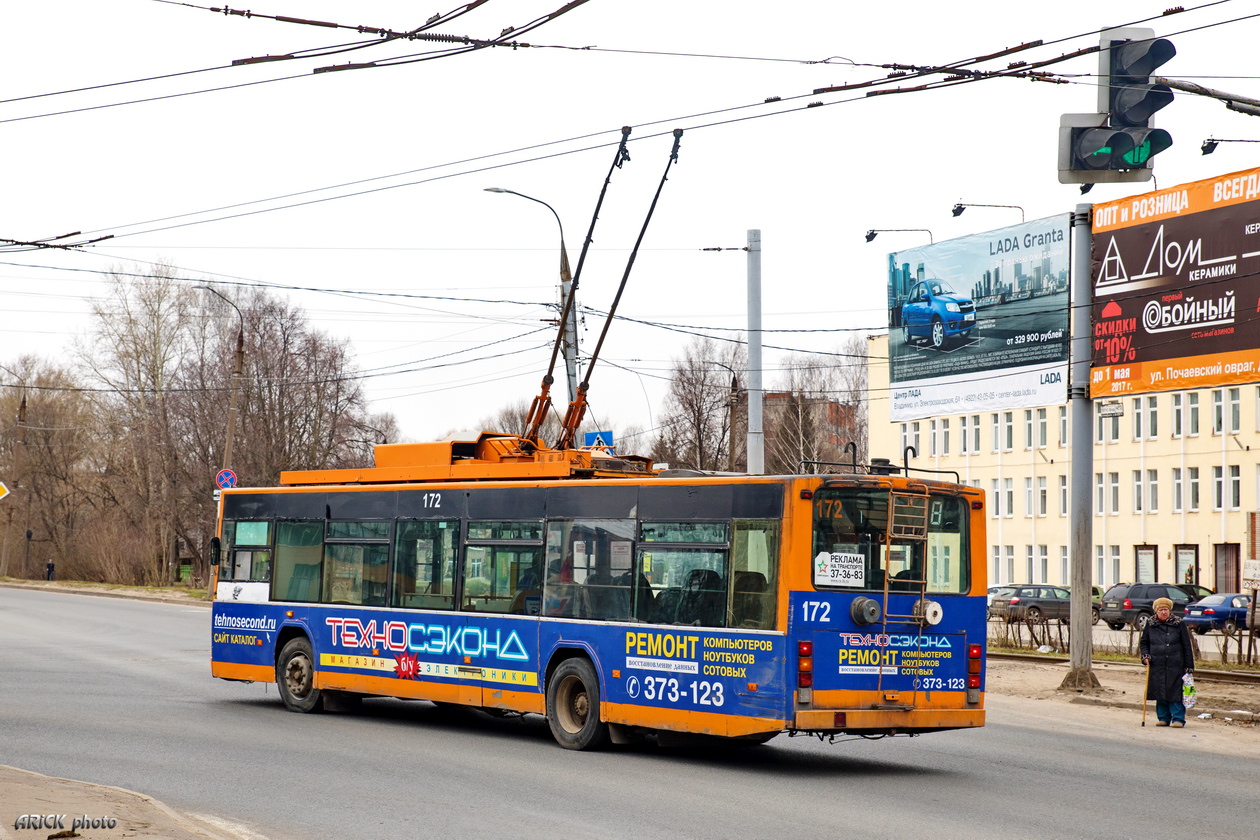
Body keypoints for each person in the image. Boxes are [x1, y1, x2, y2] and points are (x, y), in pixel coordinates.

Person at [1139, 597, 1194, 727]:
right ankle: (1163, 718)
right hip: (1157, 663)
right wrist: (1145, 656)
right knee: (1160, 691)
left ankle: (1178, 719)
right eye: (1161, 610)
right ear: (1156, 611)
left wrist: (1189, 665)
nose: (1164, 612)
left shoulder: (1178, 623)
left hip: (1176, 663)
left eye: (1166, 609)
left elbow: (1186, 645)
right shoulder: (1151, 624)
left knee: (1175, 692)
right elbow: (1144, 642)